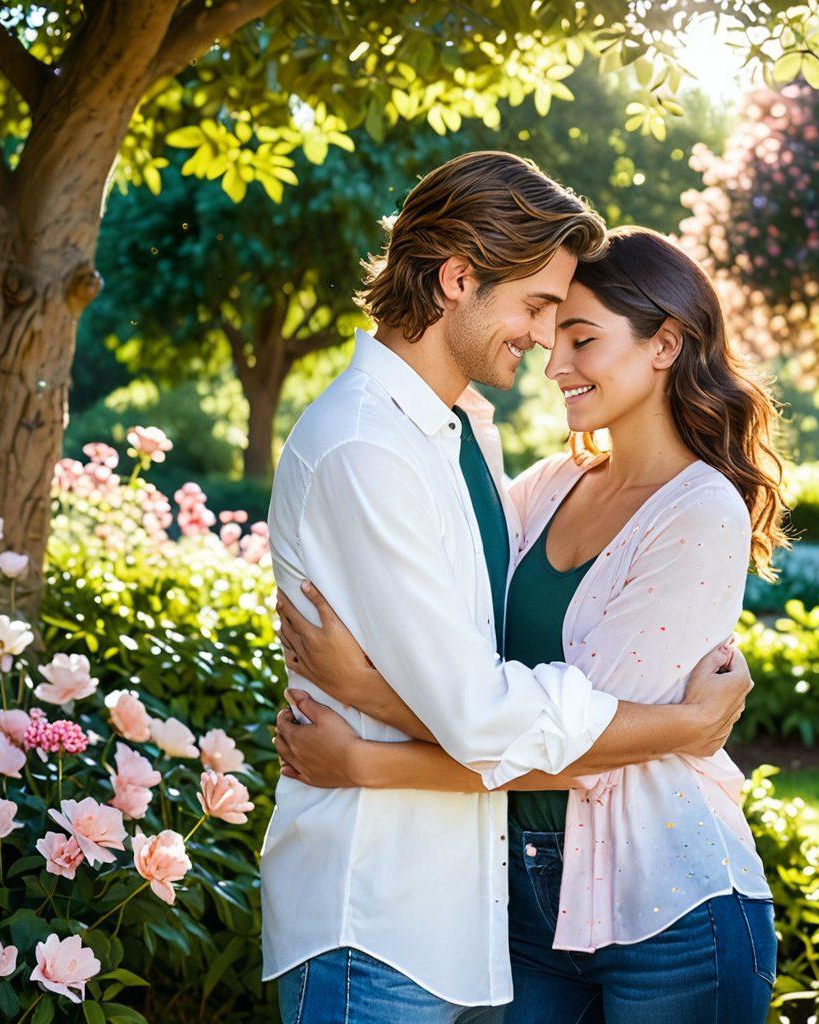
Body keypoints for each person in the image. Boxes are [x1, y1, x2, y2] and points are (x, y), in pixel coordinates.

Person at [260, 153, 757, 1024]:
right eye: (538, 310)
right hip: (385, 911)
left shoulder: (459, 436)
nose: (543, 345)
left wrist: (368, 703)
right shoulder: (386, 450)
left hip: (545, 912)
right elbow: (490, 711)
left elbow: (527, 710)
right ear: (458, 278)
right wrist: (685, 725)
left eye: (572, 328)